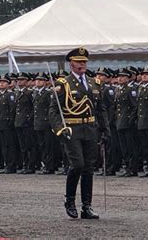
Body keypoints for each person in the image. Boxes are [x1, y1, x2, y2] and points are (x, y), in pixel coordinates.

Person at [49, 47, 109, 219]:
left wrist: (105, 129)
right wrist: (60, 129)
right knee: (78, 165)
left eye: (84, 62)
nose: (82, 65)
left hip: (90, 129)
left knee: (89, 168)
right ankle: (69, 201)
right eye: (79, 62)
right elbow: (54, 110)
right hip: (72, 129)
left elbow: (100, 108)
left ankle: (87, 206)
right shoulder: (64, 84)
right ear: (71, 63)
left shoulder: (94, 83)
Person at [137, 66, 148, 178]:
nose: (144, 76)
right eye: (143, 74)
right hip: (142, 122)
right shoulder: (142, 88)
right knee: (145, 147)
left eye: (147, 74)